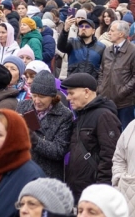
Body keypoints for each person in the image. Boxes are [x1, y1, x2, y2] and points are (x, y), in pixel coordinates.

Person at [64, 72, 121, 201]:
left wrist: (102, 190)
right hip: (79, 190)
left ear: (86, 92)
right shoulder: (81, 115)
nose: (67, 98)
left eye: (71, 93)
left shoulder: (104, 116)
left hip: (94, 193)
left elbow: (110, 156)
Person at [16, 70, 73, 180]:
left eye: (42, 97)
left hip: (47, 175)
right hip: (23, 171)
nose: (37, 101)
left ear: (52, 96)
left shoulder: (64, 115)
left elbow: (59, 151)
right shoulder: (23, 106)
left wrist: (34, 139)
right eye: (34, 95)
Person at [98, 20, 135, 129]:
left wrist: (122, 91)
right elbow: (101, 71)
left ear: (121, 34)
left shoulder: (132, 51)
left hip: (125, 103)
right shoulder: (107, 50)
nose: (109, 33)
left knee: (124, 134)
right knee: (108, 133)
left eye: (112, 30)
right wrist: (100, 88)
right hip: (106, 100)